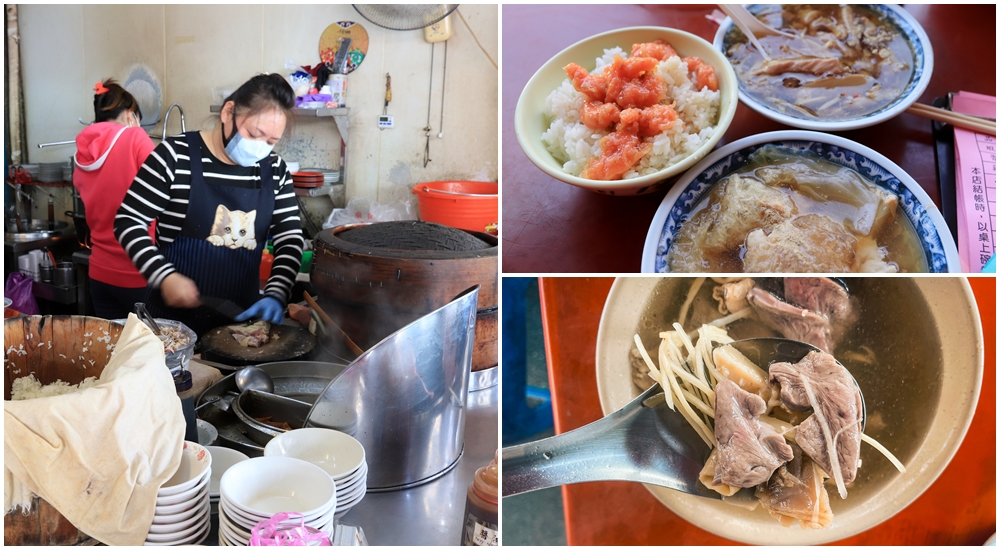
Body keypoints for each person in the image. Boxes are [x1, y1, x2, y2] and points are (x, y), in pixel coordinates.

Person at [113, 74, 304, 335]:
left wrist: (277, 292)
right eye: (254, 134)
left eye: (271, 142)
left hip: (242, 328)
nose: (260, 149)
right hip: (171, 329)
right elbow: (128, 221)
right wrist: (164, 276)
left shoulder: (275, 171)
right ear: (228, 112)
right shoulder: (175, 157)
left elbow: (290, 238)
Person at [74, 79, 156, 319]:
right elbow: (167, 190)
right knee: (152, 352)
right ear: (131, 114)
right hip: (138, 272)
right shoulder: (135, 138)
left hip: (100, 274)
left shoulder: (81, 152)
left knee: (113, 350)